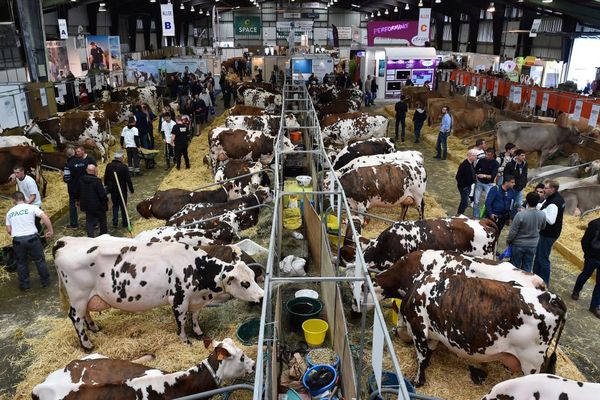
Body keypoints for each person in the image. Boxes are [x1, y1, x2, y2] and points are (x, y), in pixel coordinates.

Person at [5, 191, 53, 291]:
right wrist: (50, 231)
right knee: (39, 260)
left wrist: (18, 233)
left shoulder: (9, 212)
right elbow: (45, 217)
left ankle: (25, 285)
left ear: (14, 200)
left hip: (18, 241)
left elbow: (9, 230)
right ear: (23, 198)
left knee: (21, 263)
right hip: (32, 239)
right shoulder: (31, 207)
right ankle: (45, 282)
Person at [533, 179, 566, 285]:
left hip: (548, 234)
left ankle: (544, 283)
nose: (544, 190)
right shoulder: (556, 198)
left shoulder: (554, 203)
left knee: (543, 258)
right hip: (550, 232)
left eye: (546, 188)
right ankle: (536, 277)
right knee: (539, 255)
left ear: (552, 189)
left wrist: (540, 210)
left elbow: (551, 220)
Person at [506, 192, 546, 272]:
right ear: (538, 201)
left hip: (518, 244)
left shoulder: (520, 215)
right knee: (527, 268)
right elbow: (543, 227)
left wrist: (508, 240)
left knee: (514, 267)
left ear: (527, 201)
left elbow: (513, 232)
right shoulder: (542, 214)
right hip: (532, 245)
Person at [571, 217, 600, 318]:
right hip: (592, 257)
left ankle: (595, 306)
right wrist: (588, 253)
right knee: (585, 275)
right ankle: (576, 290)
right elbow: (585, 240)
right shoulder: (595, 224)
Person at [64, 146, 96, 229]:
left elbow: (66, 179)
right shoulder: (83, 162)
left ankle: (74, 224)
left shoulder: (68, 164)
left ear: (66, 155)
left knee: (72, 205)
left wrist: (62, 176)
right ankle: (93, 222)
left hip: (73, 189)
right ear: (74, 153)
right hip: (84, 186)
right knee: (88, 203)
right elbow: (89, 172)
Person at [76, 164, 108, 238]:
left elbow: (77, 192)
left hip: (87, 205)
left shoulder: (81, 180)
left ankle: (90, 237)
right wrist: (106, 200)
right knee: (102, 220)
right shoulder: (97, 181)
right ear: (95, 171)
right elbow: (102, 194)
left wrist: (77, 200)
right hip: (98, 205)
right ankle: (103, 235)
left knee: (89, 221)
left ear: (87, 170)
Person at [104, 151, 134, 228]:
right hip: (122, 190)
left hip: (113, 190)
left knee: (115, 205)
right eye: (123, 157)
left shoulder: (109, 166)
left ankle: (115, 221)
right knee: (123, 205)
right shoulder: (123, 167)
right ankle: (125, 222)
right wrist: (131, 189)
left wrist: (106, 187)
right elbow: (128, 180)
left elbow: (106, 178)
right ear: (121, 158)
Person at [12, 165, 42, 232]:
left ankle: (43, 241)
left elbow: (33, 196)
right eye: (15, 173)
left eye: (17, 172)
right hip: (26, 204)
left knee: (36, 223)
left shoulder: (29, 181)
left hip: (35, 205)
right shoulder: (18, 179)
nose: (16, 174)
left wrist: (25, 204)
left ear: (23, 172)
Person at [473, 148, 499, 218]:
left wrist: (484, 175)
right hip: (479, 183)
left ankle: (484, 216)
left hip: (489, 184)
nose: (486, 156)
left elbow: (493, 176)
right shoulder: (481, 160)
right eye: (486, 154)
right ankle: (476, 217)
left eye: (488, 155)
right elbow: (476, 170)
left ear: (493, 155)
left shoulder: (495, 163)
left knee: (488, 202)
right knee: (476, 201)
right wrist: (476, 175)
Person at [455, 149, 478, 215]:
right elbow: (458, 177)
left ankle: (459, 214)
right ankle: (459, 214)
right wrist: (464, 186)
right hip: (464, 187)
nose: (476, 157)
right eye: (475, 156)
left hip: (468, 185)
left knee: (464, 202)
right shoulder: (464, 165)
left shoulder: (471, 163)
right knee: (465, 202)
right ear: (470, 156)